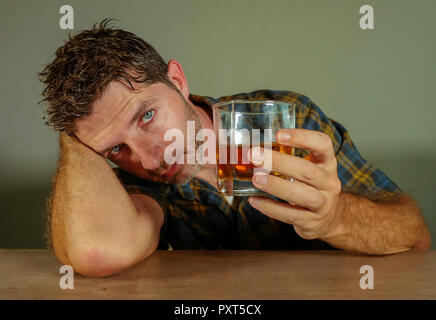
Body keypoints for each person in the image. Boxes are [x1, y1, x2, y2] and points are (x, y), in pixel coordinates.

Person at [38, 20, 430, 277]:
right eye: (114, 149)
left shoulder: (285, 123)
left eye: (146, 116)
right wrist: (75, 135)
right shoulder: (137, 181)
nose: (150, 158)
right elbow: (95, 253)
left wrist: (334, 218)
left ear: (177, 80)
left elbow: (414, 235)